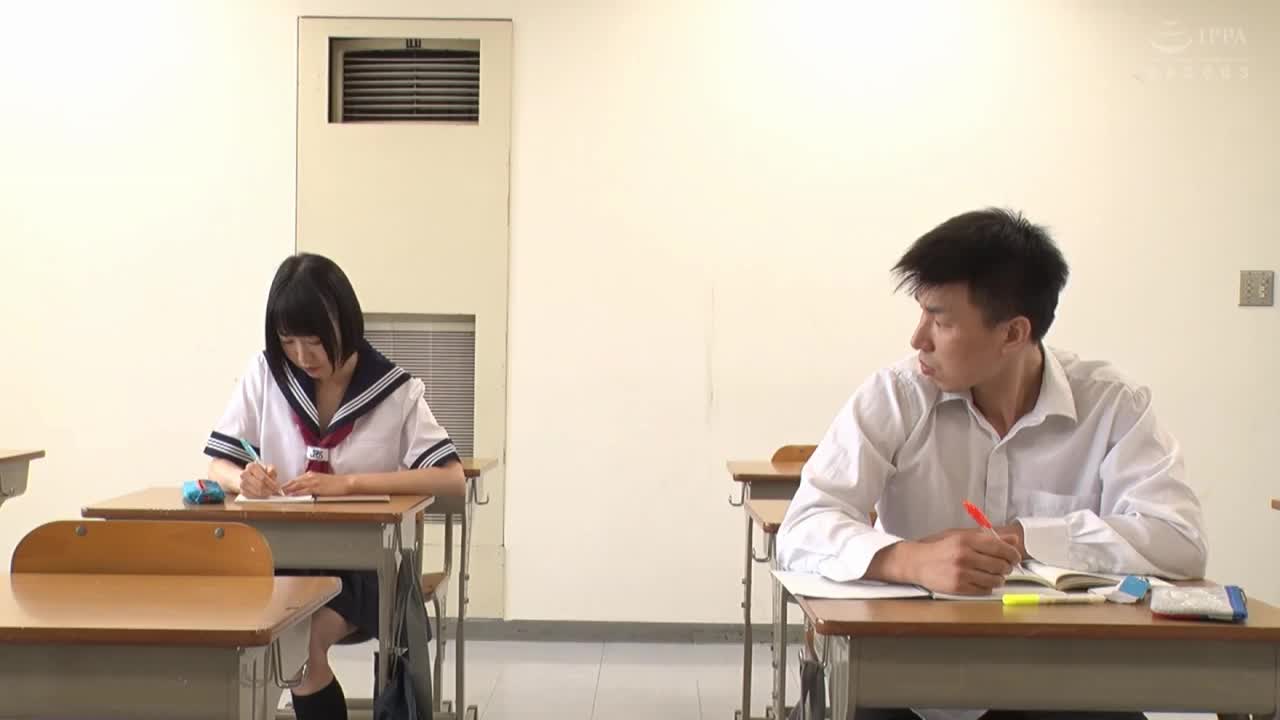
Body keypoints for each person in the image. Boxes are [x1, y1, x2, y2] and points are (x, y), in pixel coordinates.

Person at [777, 208, 1207, 720]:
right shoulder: (897, 395)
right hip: (908, 680)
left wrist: (1024, 538)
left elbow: (1178, 540)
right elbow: (803, 526)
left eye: (941, 321)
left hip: (1064, 681)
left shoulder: (1112, 405)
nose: (918, 339)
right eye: (921, 314)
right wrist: (909, 560)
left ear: (1012, 333)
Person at [204, 252, 465, 720]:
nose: (303, 356)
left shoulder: (394, 390)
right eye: (288, 341)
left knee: (301, 644)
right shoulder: (266, 376)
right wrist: (241, 477)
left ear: (345, 325)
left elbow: (451, 479)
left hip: (365, 568)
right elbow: (216, 463)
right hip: (282, 560)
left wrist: (348, 484)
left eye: (315, 341)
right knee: (273, 645)